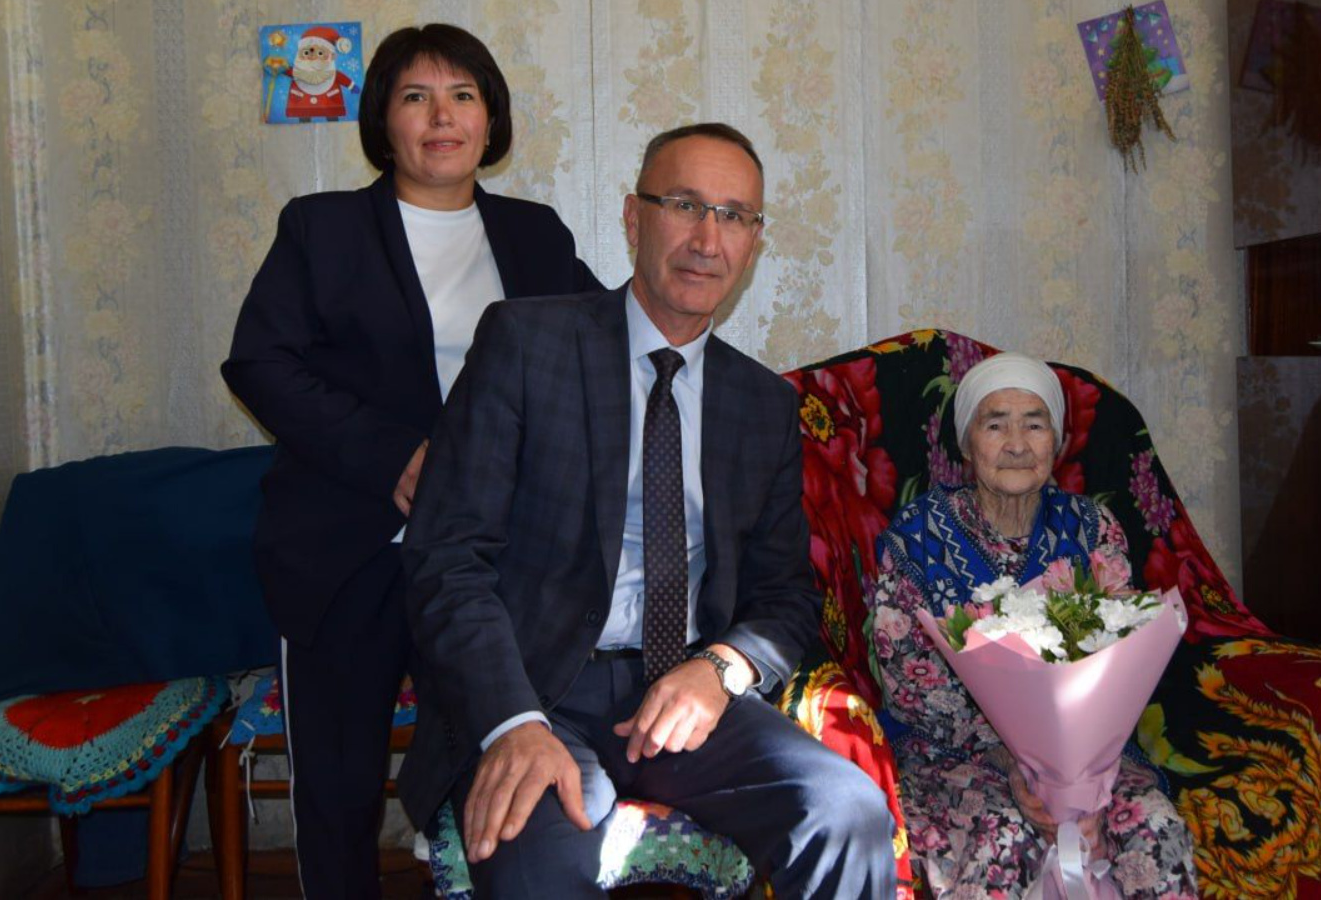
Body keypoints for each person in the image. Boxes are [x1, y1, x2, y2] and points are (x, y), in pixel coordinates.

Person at [399, 122, 896, 898]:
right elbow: (446, 558)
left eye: (734, 216)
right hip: (535, 693)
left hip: (684, 697)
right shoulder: (527, 344)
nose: (707, 239)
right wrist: (512, 724)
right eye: (685, 205)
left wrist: (720, 669)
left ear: (754, 243)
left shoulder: (761, 404)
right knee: (539, 867)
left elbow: (785, 596)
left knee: (846, 811)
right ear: (635, 218)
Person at [221, 23, 601, 899]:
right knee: (340, 789)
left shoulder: (535, 236)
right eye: (416, 97)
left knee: (485, 766)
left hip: (486, 563)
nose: (441, 117)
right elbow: (261, 363)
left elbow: (594, 358)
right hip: (348, 548)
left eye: (463, 96)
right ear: (383, 120)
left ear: (490, 118)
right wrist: (393, 457)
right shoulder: (321, 228)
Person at [868, 353, 1198, 898]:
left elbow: (1122, 655)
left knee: (1154, 825)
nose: (1017, 444)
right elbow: (911, 689)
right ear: (967, 444)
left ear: (1057, 442)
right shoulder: (918, 536)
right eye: (995, 425)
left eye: (1035, 425)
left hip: (1089, 761)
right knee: (1004, 837)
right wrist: (1022, 764)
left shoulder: (1092, 527)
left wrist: (1076, 779)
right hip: (953, 754)